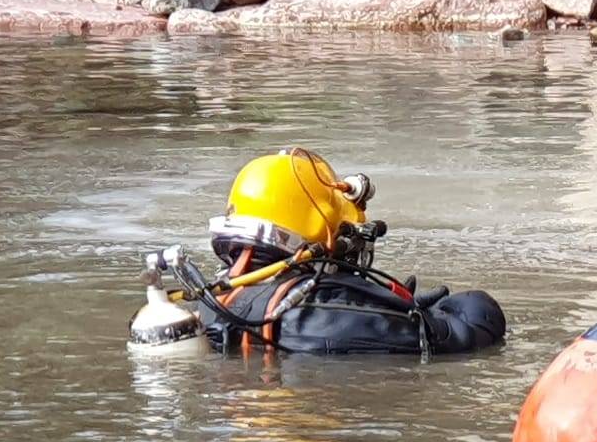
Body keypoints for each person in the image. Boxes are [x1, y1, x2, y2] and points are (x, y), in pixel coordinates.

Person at [185, 148, 507, 355]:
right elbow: (478, 327)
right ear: (320, 230)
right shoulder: (326, 309)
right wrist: (417, 314)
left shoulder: (216, 299)